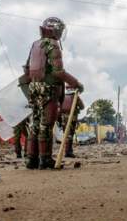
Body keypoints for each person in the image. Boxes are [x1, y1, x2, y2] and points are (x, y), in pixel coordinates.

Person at [24, 17, 83, 169]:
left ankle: (31, 160)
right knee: (46, 124)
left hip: (34, 88)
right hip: (48, 89)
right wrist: (76, 83)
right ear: (54, 30)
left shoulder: (35, 44)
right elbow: (58, 72)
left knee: (34, 124)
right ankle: (45, 159)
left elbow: (26, 68)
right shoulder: (53, 44)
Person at [58, 87, 85, 158]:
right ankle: (68, 152)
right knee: (70, 135)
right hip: (72, 117)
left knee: (66, 134)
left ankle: (67, 151)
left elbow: (59, 107)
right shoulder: (75, 96)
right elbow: (82, 107)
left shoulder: (62, 96)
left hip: (63, 118)